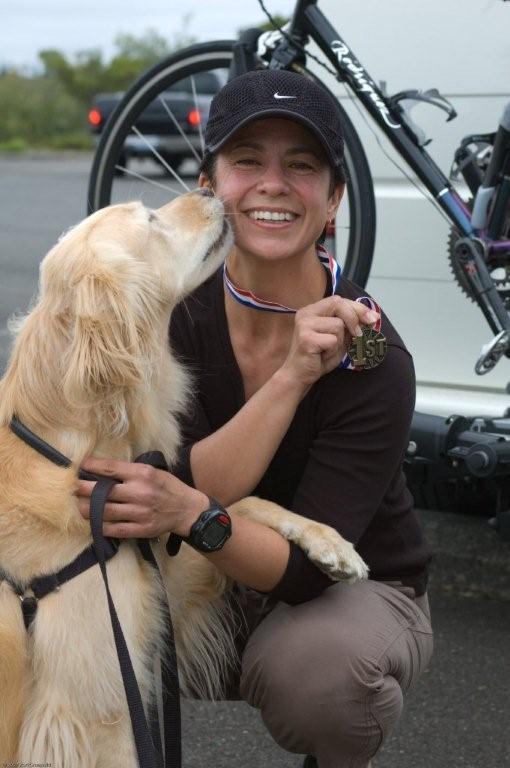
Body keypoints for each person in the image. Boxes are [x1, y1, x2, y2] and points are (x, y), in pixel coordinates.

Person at [77, 69, 433, 768]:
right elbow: (154, 487)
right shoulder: (166, 315)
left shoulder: (374, 352)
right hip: (202, 576)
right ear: (210, 188)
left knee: (323, 677)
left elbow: (304, 571)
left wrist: (299, 374)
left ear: (333, 201)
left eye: (302, 167)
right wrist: (179, 504)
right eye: (247, 161)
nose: (273, 184)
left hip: (345, 589)